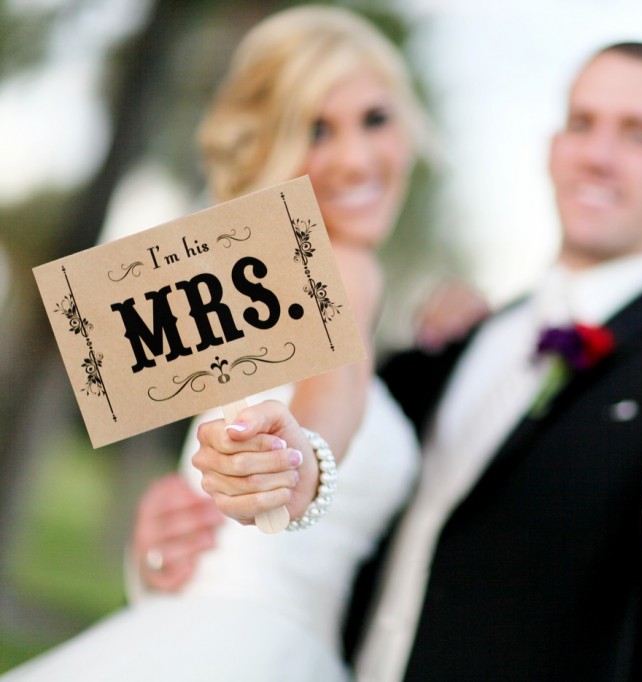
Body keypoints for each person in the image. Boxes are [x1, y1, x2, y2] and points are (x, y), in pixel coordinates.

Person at [191, 41, 642, 681]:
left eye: (639, 135)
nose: (598, 155)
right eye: (582, 123)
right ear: (552, 149)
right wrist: (185, 524)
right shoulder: (452, 342)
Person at [2, 5, 439, 680]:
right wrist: (306, 462)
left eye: (375, 119)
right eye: (317, 128)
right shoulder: (343, 265)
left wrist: (153, 555)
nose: (355, 158)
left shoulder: (252, 298)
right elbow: (334, 398)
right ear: (270, 143)